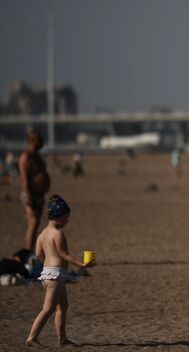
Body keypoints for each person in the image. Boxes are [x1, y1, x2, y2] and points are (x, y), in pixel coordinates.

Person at [25, 195, 95, 347]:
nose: (67, 221)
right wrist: (81, 264)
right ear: (59, 216)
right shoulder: (58, 234)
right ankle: (32, 337)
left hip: (50, 273)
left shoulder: (42, 234)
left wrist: (47, 265)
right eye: (66, 217)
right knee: (48, 309)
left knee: (63, 307)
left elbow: (38, 254)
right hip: (55, 276)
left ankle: (62, 339)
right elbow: (64, 254)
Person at [19, 130, 51, 250]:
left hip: (39, 193)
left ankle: (31, 250)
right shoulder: (26, 156)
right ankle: (28, 251)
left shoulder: (36, 155)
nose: (42, 142)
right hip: (31, 193)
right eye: (40, 139)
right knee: (32, 223)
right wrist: (29, 197)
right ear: (32, 140)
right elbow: (24, 178)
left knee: (36, 223)